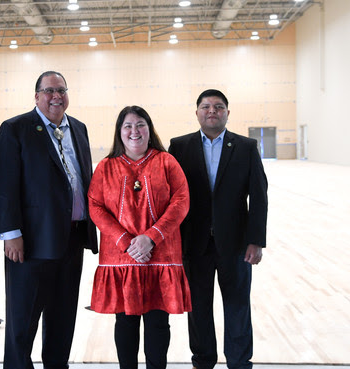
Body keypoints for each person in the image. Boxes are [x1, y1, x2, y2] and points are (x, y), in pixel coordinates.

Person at [0, 71, 98, 369]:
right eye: (49, 90)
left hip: (73, 237)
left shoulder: (78, 128)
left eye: (62, 90)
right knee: (23, 319)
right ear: (37, 95)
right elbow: (4, 184)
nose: (56, 96)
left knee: (63, 316)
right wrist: (10, 233)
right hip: (31, 240)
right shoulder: (16, 128)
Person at [168, 89, 268, 369]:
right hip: (193, 243)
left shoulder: (246, 147)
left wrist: (255, 240)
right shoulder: (180, 146)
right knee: (197, 308)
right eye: (206, 106)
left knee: (237, 307)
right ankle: (203, 360)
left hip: (235, 244)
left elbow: (259, 196)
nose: (212, 111)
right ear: (197, 112)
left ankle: (239, 362)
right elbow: (172, 195)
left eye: (218, 106)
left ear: (227, 112)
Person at [88, 105, 191, 369]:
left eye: (140, 124)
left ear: (149, 128)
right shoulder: (106, 167)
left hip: (161, 254)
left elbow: (181, 200)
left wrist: (152, 237)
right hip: (121, 258)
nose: (135, 131)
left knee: (158, 323)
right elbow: (95, 206)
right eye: (128, 126)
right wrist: (125, 241)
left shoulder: (167, 162)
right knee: (125, 322)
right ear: (119, 132)